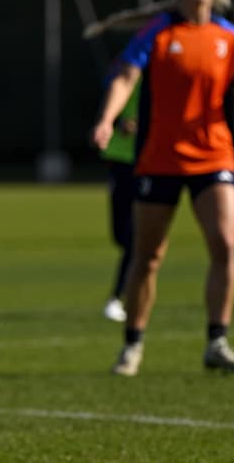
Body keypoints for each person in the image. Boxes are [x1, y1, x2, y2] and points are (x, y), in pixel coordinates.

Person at [90, 0, 234, 377]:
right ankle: (132, 347)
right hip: (160, 160)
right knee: (147, 257)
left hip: (214, 157)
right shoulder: (158, 32)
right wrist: (108, 119)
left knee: (225, 246)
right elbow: (126, 76)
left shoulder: (230, 37)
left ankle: (216, 341)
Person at [97, 71, 139, 323]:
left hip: (149, 162)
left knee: (137, 241)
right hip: (120, 160)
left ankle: (118, 297)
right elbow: (112, 84)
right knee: (122, 236)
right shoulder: (127, 72)